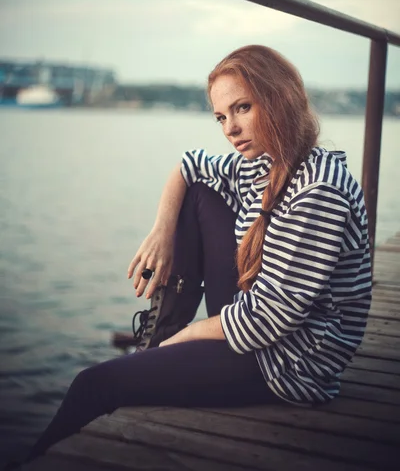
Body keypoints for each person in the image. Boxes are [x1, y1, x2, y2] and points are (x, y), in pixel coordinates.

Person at [23, 44, 372, 463]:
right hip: (258, 325)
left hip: (290, 362)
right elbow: (189, 164)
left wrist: (179, 342)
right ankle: (160, 332)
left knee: (92, 384)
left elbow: (266, 322)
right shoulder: (261, 162)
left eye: (243, 108)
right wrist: (161, 232)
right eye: (222, 116)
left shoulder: (320, 191)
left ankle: (31, 459)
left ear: (280, 98)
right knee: (201, 192)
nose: (230, 128)